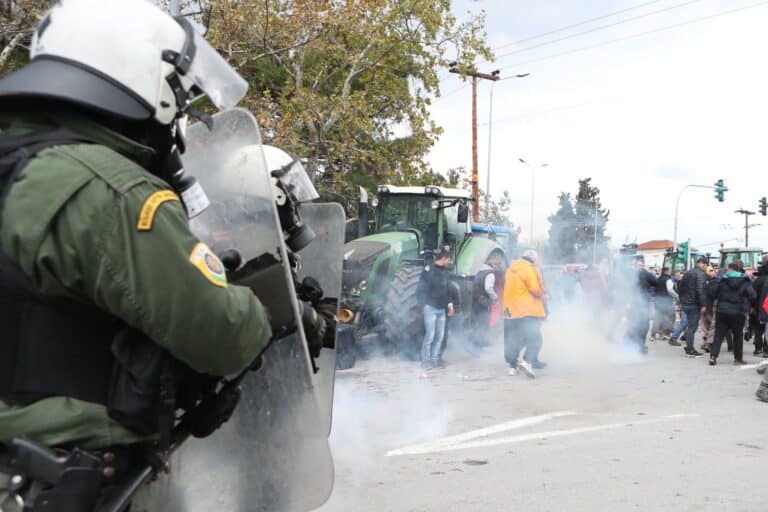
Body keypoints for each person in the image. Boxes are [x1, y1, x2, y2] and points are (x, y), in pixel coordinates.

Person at [0, 1, 335, 509]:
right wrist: (252, 301)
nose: (179, 115)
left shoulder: (20, 165)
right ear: (140, 75)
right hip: (69, 479)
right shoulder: (105, 189)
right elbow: (223, 333)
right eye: (178, 94)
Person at [503, 249, 548, 378]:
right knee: (536, 339)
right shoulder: (529, 269)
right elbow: (535, 289)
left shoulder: (510, 269)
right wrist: (544, 295)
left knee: (514, 339)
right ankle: (527, 361)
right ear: (533, 259)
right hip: (526, 310)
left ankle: (512, 366)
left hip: (510, 310)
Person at [708, 262, 756, 365]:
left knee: (719, 334)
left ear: (730, 269)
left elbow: (713, 293)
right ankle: (738, 359)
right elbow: (752, 295)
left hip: (722, 310)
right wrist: (747, 303)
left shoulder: (722, 280)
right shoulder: (745, 281)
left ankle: (713, 356)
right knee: (738, 336)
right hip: (738, 311)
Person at [418, 250, 454, 369]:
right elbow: (421, 289)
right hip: (430, 308)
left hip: (442, 309)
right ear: (443, 258)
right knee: (430, 335)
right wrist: (423, 305)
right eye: (449, 259)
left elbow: (447, 289)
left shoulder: (445, 272)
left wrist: (450, 305)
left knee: (439, 336)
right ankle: (425, 361)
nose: (449, 262)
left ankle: (434, 360)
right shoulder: (428, 270)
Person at [676, 257, 709, 358]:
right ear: (702, 264)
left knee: (690, 326)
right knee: (692, 327)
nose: (706, 267)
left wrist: (681, 301)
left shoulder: (688, 272)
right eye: (706, 265)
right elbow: (701, 290)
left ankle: (689, 347)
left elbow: (679, 287)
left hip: (686, 303)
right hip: (694, 304)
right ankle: (690, 349)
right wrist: (703, 304)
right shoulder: (701, 274)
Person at [471, 252, 504, 349]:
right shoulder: (490, 273)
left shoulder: (480, 271)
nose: (498, 267)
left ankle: (477, 345)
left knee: (478, 323)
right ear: (493, 264)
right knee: (484, 323)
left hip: (476, 300)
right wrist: (495, 298)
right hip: (483, 301)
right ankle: (478, 346)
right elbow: (488, 288)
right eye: (497, 264)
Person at [625, 256, 657, 353]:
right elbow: (655, 281)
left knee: (634, 325)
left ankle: (630, 345)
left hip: (635, 303)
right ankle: (639, 346)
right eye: (641, 264)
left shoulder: (629, 273)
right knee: (642, 325)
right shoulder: (645, 274)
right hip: (641, 304)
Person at [749, 257, 768, 357]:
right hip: (765, 307)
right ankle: (766, 350)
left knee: (758, 328)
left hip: (758, 307)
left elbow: (752, 295)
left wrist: (751, 306)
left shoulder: (758, 280)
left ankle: (758, 348)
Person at [651, 267, 675, 340]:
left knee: (657, 318)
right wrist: (676, 296)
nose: (671, 272)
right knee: (669, 317)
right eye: (670, 271)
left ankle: (653, 335)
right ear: (666, 272)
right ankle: (666, 333)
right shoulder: (668, 280)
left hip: (658, 301)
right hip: (666, 301)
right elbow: (670, 290)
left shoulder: (657, 279)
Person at [699, 265, 718, 352]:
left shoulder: (701, 281)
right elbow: (714, 294)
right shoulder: (715, 282)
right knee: (712, 326)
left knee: (705, 326)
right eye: (711, 270)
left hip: (703, 306)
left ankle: (705, 342)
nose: (713, 272)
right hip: (711, 306)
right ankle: (708, 343)